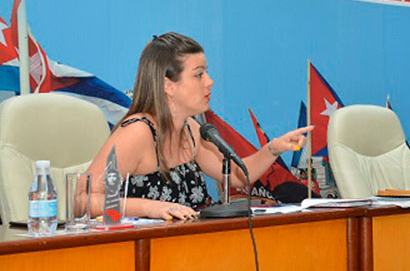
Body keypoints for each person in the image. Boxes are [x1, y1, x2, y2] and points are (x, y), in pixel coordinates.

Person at [83, 33, 313, 220]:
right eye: (199, 75)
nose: (209, 81)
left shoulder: (191, 129)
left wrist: (273, 148)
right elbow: (82, 200)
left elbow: (236, 176)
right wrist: (150, 207)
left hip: (195, 248)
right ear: (168, 86)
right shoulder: (137, 132)